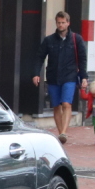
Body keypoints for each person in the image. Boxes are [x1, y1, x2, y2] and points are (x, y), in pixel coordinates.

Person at [30, 11, 87, 144]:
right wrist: (36, 73)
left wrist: (83, 76)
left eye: (63, 22)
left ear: (68, 23)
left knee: (66, 103)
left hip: (70, 76)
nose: (61, 25)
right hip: (53, 77)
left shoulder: (76, 39)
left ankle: (63, 132)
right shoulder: (49, 40)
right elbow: (40, 57)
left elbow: (83, 59)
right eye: (59, 23)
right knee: (56, 106)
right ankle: (61, 131)